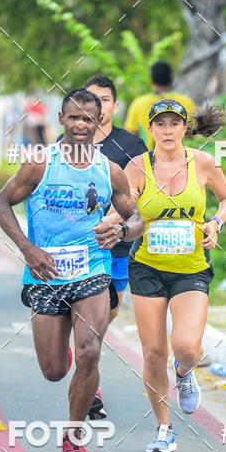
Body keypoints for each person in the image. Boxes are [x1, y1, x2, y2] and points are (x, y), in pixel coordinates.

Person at [0, 89, 144, 452]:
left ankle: (74, 434)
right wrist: (27, 248)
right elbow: (1, 203)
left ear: (98, 123)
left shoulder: (109, 172)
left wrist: (122, 233)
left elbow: (136, 218)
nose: (80, 124)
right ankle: (77, 381)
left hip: (92, 270)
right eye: (73, 117)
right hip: (46, 274)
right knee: (54, 370)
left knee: (89, 351)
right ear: (61, 120)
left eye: (87, 119)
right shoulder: (40, 164)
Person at [108, 97, 226, 452]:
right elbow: (123, 210)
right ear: (150, 129)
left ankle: (184, 373)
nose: (167, 130)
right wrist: (108, 225)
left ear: (184, 128)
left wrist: (216, 222)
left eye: (174, 124)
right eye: (160, 124)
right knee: (153, 353)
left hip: (191, 267)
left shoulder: (203, 163)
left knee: (186, 348)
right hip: (147, 267)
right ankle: (164, 427)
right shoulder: (136, 166)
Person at [84, 74, 146, 320]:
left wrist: (108, 223)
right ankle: (71, 353)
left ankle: (86, 354)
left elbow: (138, 193)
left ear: (115, 106)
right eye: (92, 99)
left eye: (105, 99)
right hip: (77, 243)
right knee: (77, 311)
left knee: (107, 314)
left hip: (116, 245)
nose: (99, 105)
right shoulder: (66, 142)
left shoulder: (132, 145)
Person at [124, 61, 196, 149]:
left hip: (148, 159)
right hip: (182, 159)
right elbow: (194, 136)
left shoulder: (139, 103)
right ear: (171, 79)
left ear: (151, 80)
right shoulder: (186, 102)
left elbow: (130, 137)